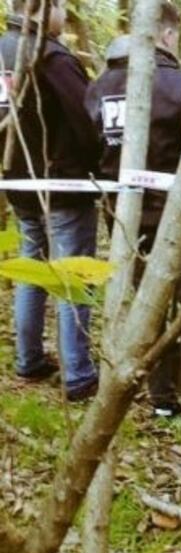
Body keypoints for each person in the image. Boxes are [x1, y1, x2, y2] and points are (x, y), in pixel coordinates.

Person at [85, 1, 181, 429]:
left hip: (125, 221)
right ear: (166, 35)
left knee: (150, 304)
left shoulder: (98, 87)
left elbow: (89, 150)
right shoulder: (180, 85)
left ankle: (161, 397)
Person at [0, 0, 101, 402]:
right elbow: (87, 118)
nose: (65, 15)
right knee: (70, 277)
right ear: (47, 8)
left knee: (32, 266)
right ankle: (78, 373)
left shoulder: (4, 49)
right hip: (61, 183)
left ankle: (29, 358)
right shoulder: (51, 56)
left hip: (16, 180)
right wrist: (99, 168)